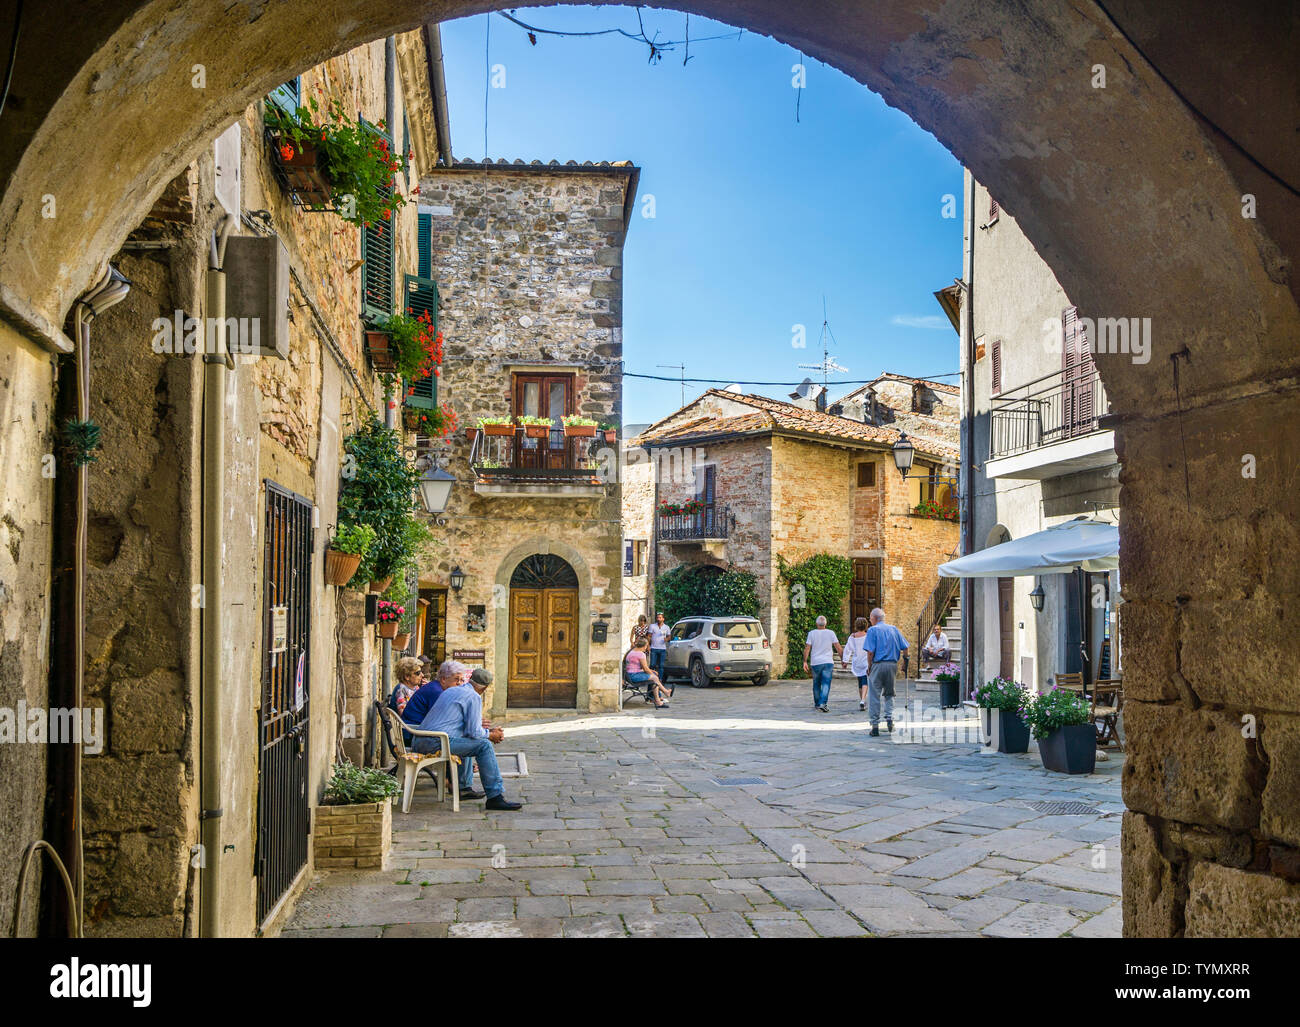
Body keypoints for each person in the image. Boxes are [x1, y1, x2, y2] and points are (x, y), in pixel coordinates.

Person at [413, 667, 522, 811]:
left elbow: (468, 731)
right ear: (484, 689)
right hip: (435, 742)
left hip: (419, 740)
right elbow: (475, 732)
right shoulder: (474, 697)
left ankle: (464, 788)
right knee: (483, 745)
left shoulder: (452, 690)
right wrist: (491, 735)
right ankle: (495, 796)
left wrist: (488, 731)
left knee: (467, 739)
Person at [864, 607, 909, 736]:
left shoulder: (872, 630)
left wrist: (869, 666)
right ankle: (890, 719)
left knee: (874, 695)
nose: (870, 620)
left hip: (878, 665)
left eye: (870, 618)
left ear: (874, 618)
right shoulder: (894, 629)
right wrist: (905, 663)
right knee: (890, 693)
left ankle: (875, 726)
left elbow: (870, 652)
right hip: (892, 665)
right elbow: (905, 648)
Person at [802, 615, 843, 713]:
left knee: (816, 683)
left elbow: (807, 648)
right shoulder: (831, 633)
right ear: (826, 624)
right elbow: (838, 647)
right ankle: (822, 703)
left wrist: (804, 661)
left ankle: (817, 704)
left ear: (816, 624)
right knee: (826, 683)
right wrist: (843, 659)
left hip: (816, 662)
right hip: (828, 662)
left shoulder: (812, 633)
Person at [625, 637, 670, 708]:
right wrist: (653, 674)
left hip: (630, 675)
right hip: (634, 676)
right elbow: (645, 669)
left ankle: (659, 698)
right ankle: (664, 693)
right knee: (654, 678)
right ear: (644, 645)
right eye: (647, 645)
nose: (647, 647)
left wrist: (652, 671)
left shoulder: (632, 651)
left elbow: (637, 667)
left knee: (654, 677)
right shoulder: (641, 654)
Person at [841, 617, 872, 712]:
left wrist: (845, 661)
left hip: (856, 661)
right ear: (866, 625)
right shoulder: (868, 636)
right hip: (865, 661)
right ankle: (863, 700)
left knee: (860, 681)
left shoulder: (853, 637)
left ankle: (862, 700)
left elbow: (847, 649)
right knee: (865, 681)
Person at [647, 611, 671, 682]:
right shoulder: (652, 626)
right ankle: (651, 678)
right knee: (652, 664)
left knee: (661, 665)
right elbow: (649, 636)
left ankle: (659, 679)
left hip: (662, 648)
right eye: (657, 617)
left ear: (663, 619)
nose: (658, 619)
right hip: (654, 648)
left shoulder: (666, 627)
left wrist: (666, 639)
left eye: (660, 618)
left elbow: (669, 637)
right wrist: (648, 645)